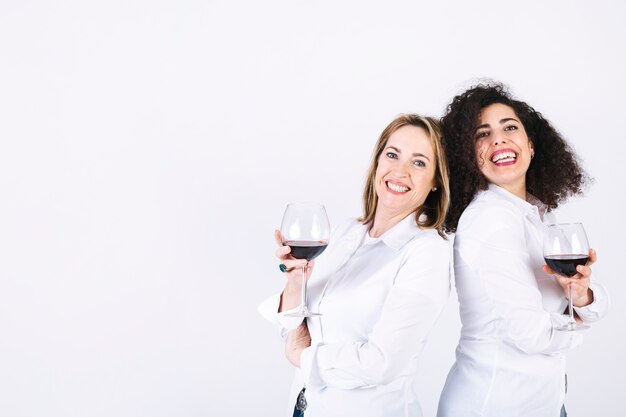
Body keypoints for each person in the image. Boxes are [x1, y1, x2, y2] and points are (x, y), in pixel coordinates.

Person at [259, 114, 451, 417]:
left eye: (418, 162)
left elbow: (381, 364)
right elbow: (293, 328)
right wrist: (296, 281)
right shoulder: (344, 232)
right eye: (392, 155)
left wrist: (304, 357)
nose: (399, 171)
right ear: (377, 163)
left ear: (436, 182)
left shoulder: (427, 253)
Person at [436, 82, 610, 417]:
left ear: (531, 146)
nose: (498, 139)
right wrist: (575, 320)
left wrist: (583, 296)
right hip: (495, 405)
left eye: (509, 127)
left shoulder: (536, 213)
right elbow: (532, 336)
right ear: (469, 156)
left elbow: (594, 306)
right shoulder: (491, 219)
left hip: (543, 402)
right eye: (482, 134)